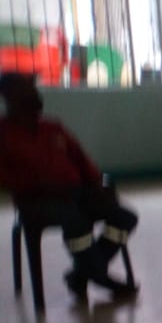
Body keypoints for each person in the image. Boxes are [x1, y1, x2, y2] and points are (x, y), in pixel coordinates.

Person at [0, 72, 138, 301]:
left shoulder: (53, 127)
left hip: (76, 193)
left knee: (125, 217)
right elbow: (5, 178)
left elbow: (83, 162)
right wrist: (40, 187)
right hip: (35, 201)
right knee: (77, 222)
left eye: (33, 90)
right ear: (8, 97)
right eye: (25, 91)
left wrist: (100, 183)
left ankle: (82, 274)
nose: (34, 95)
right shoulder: (4, 134)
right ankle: (100, 277)